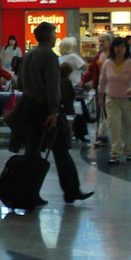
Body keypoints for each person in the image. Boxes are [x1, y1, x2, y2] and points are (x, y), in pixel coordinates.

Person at [18, 22, 94, 204]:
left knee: (32, 151)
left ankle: (28, 192)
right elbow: (53, 86)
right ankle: (71, 190)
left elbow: (21, 82)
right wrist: (53, 112)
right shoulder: (50, 57)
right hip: (46, 110)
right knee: (60, 151)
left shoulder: (28, 55)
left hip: (29, 107)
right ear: (50, 37)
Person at [99, 36, 131, 165]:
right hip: (112, 99)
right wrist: (100, 97)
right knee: (114, 126)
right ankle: (115, 153)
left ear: (126, 48)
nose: (119, 49)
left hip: (127, 100)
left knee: (128, 126)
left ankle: (128, 151)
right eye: (117, 46)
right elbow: (103, 81)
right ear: (113, 48)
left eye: (122, 46)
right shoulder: (108, 63)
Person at [81, 33, 113, 146]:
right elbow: (91, 70)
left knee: (111, 112)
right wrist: (83, 80)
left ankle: (113, 135)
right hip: (100, 86)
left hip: (112, 87)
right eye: (100, 41)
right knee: (100, 111)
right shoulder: (99, 55)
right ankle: (101, 135)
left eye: (103, 41)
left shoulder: (115, 56)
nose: (101, 43)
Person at [57, 37, 89, 141]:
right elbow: (84, 66)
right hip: (76, 85)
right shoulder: (73, 56)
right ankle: (81, 133)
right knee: (80, 110)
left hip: (64, 87)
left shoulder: (59, 59)